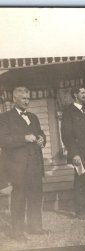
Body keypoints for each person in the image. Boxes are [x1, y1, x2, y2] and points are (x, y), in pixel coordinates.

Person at [0, 87, 46, 242]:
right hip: (17, 167)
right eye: (23, 98)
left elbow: (41, 133)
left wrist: (41, 139)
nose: (27, 101)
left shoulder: (33, 116)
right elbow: (3, 140)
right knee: (19, 199)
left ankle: (35, 227)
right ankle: (17, 232)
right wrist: (24, 138)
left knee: (35, 197)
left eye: (28, 98)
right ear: (14, 99)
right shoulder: (5, 117)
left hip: (35, 166)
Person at [61, 86, 85, 219]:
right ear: (75, 94)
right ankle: (81, 211)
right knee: (81, 180)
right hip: (79, 153)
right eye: (82, 92)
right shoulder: (68, 111)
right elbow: (66, 135)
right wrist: (74, 153)